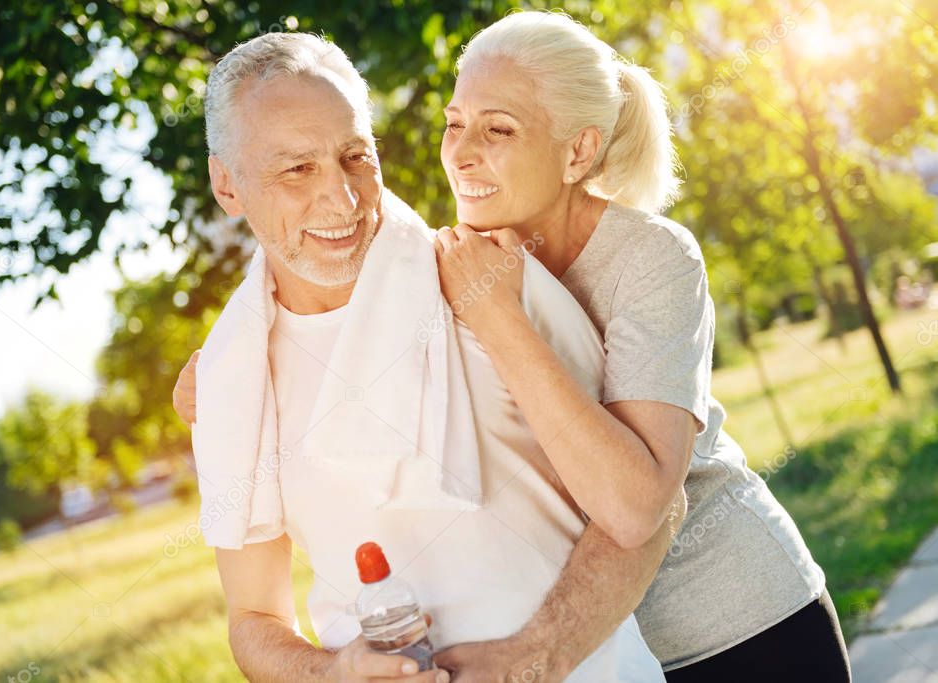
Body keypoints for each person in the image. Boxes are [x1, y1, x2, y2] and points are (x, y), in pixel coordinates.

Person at [185, 30, 668, 682]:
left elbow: (642, 511)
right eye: (297, 168)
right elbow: (252, 618)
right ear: (228, 185)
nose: (343, 198)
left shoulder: (495, 284)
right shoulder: (229, 380)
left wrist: (534, 657)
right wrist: (330, 672)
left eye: (355, 156)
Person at [430, 11, 851, 681]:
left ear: (577, 151)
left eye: (498, 128)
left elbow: (635, 504)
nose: (461, 150)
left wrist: (496, 316)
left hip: (740, 630)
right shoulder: (457, 260)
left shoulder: (652, 257)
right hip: (612, 660)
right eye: (454, 122)